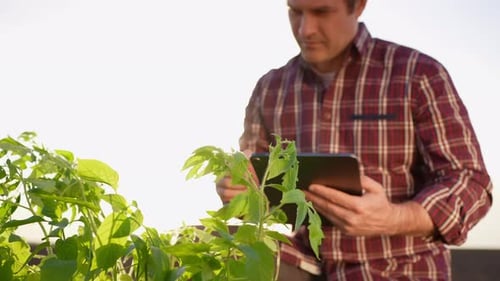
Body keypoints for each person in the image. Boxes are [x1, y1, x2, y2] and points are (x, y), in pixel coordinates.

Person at [215, 0, 493, 280]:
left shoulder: (418, 74)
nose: (305, 29)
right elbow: (256, 180)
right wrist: (238, 190)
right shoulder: (270, 88)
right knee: (212, 246)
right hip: (306, 263)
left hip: (400, 268)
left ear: (358, 6)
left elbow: (471, 182)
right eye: (295, 11)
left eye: (322, 12)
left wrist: (393, 218)